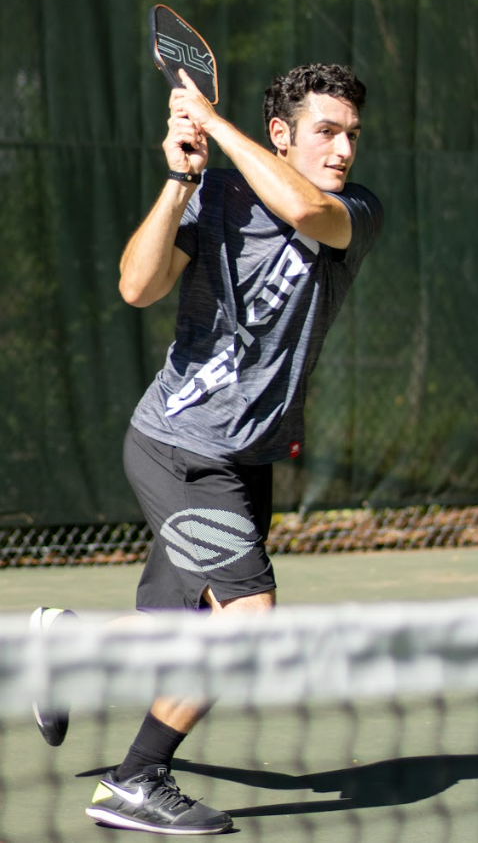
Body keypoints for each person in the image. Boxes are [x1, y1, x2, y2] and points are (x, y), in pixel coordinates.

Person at [33, 61, 383, 835]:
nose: (343, 148)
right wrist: (181, 181)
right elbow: (136, 285)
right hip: (180, 447)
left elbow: (304, 207)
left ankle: (64, 648)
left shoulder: (353, 209)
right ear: (283, 133)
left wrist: (212, 124)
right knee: (248, 617)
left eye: (352, 134)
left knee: (184, 628)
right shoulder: (216, 198)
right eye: (326, 131)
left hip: (244, 458)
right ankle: (136, 780)